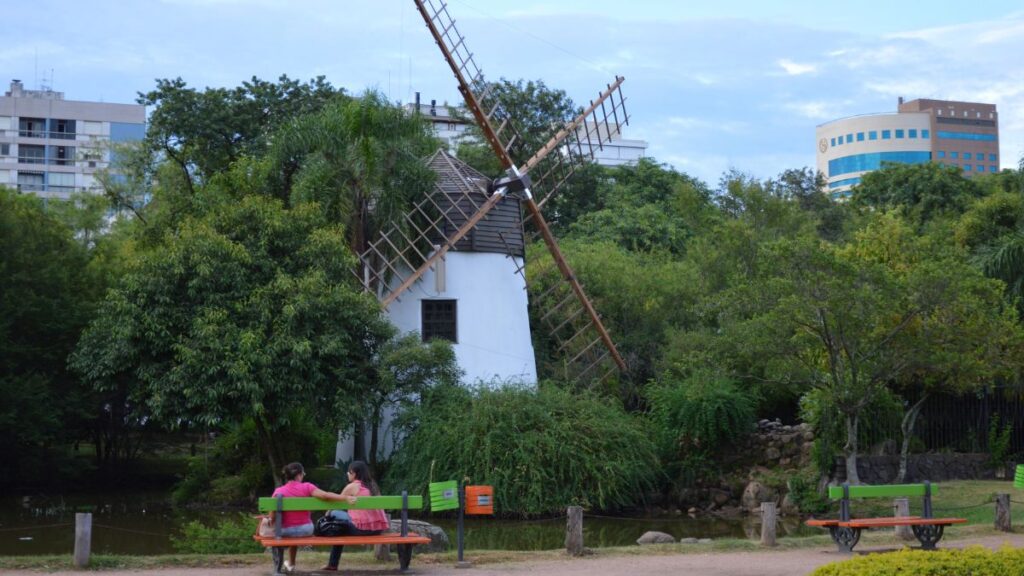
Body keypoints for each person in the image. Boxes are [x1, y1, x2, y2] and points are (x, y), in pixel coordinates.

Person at [269, 462, 347, 573]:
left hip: (285, 531)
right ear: (299, 475)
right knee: (296, 531)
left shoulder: (279, 491)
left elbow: (272, 516)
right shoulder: (307, 487)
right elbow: (324, 495)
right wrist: (344, 498)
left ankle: (278, 569)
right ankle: (291, 564)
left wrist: (271, 522)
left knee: (279, 532)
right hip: (306, 530)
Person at [320, 460, 391, 571]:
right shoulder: (373, 485)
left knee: (333, 514)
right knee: (341, 526)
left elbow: (337, 503)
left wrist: (328, 512)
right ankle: (332, 564)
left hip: (360, 529)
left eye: (349, 472)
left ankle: (332, 564)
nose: (348, 474)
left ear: (354, 473)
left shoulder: (352, 486)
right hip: (377, 529)